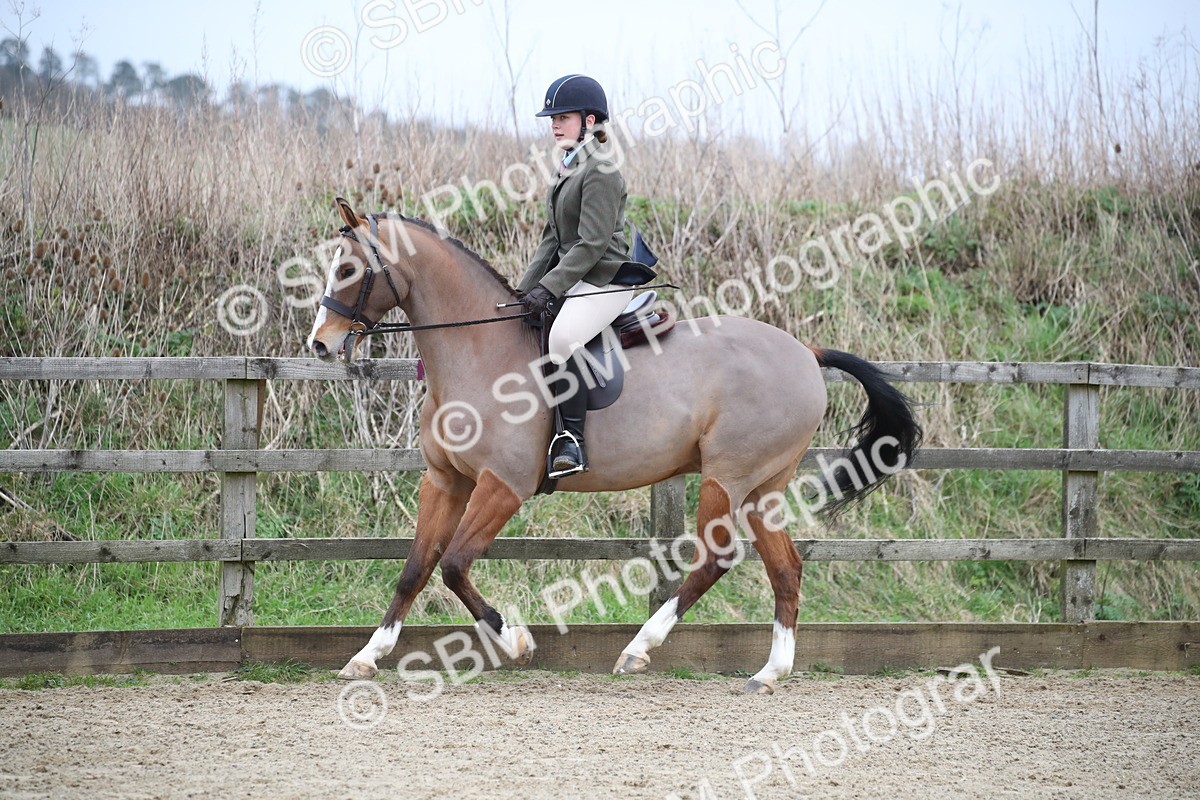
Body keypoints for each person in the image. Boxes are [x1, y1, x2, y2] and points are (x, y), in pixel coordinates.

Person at [517, 74, 653, 479]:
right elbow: (550, 240)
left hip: (604, 280)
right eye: (552, 117)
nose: (554, 123)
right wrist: (522, 292)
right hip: (575, 277)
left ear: (590, 120)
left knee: (560, 338)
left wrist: (550, 286)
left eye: (563, 116)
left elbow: (591, 244)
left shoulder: (602, 170)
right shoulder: (567, 167)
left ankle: (571, 442)